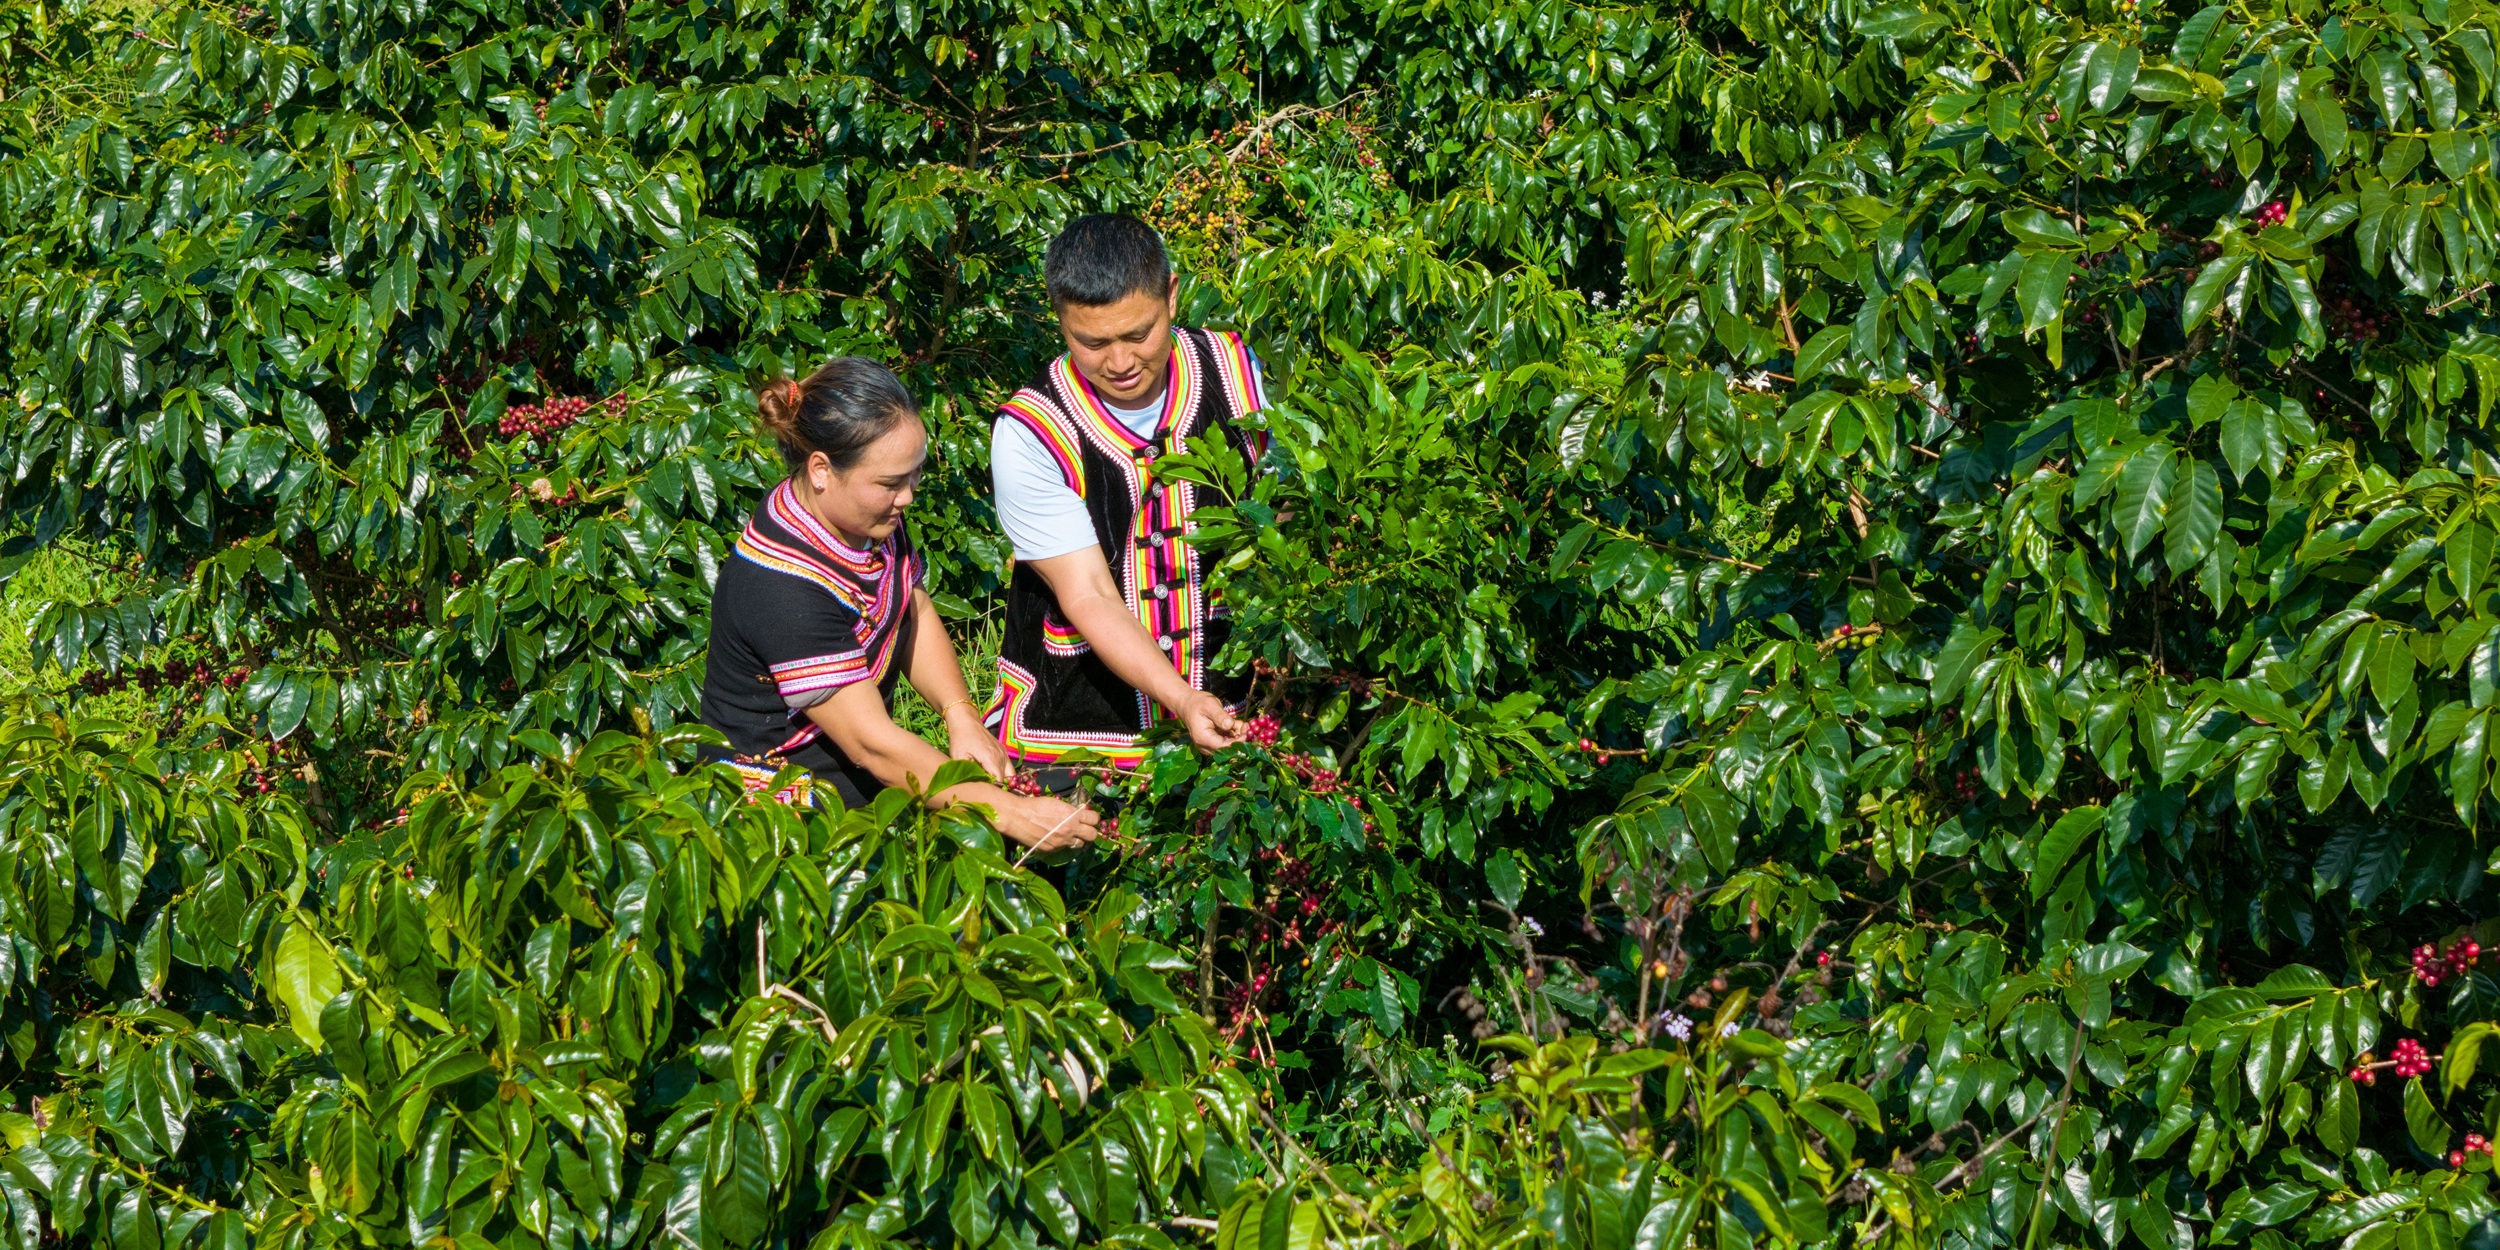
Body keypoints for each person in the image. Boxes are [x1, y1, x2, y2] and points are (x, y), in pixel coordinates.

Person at [700, 357, 1101, 852]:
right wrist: (1012, 813)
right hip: (780, 820)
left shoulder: (866, 520)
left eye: (913, 476)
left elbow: (912, 609)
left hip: (858, 783)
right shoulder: (780, 588)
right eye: (892, 483)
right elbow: (871, 742)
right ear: (821, 469)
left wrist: (961, 716)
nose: (907, 497)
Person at [987, 213, 1269, 775]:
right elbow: (1088, 594)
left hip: (1237, 697)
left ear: (1171, 293)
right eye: (1092, 342)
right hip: (1081, 724)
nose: (1119, 363)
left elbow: (1276, 508)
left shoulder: (1235, 369)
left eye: (1139, 334)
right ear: (1059, 318)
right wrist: (1183, 699)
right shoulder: (1029, 430)